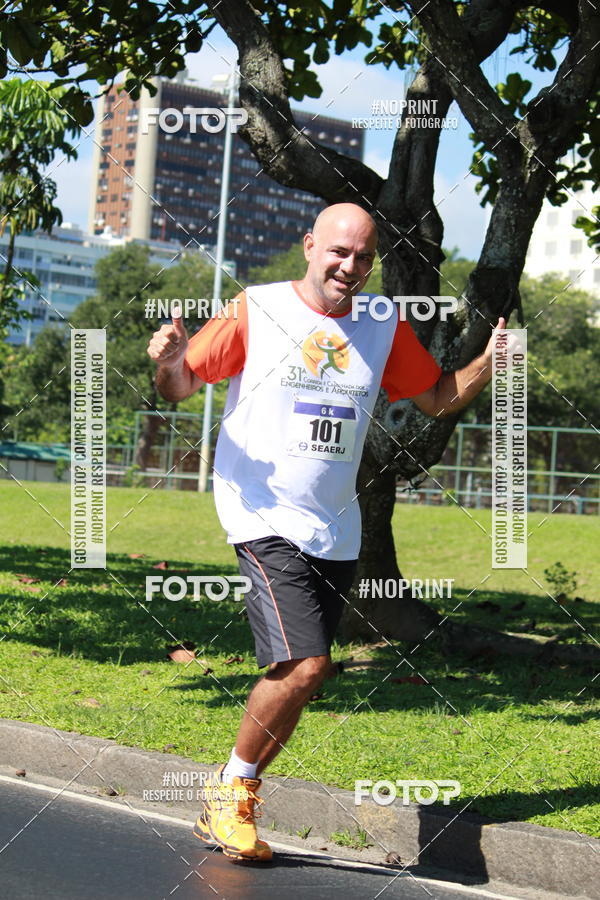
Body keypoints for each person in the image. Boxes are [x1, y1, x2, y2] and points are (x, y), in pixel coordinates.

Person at [147, 202, 506, 863]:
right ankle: (232, 793)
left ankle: (233, 790)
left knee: (307, 677)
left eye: (365, 257)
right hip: (260, 510)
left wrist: (490, 362)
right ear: (310, 246)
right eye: (339, 252)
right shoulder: (257, 308)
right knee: (305, 663)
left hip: (335, 524)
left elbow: (437, 396)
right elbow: (181, 384)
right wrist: (169, 359)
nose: (351, 266)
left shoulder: (379, 325)